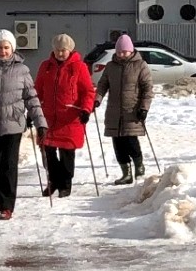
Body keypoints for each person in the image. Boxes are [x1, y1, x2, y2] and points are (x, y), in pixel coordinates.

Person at [0, 29, 48, 219]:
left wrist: (40, 122)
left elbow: (32, 98)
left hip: (13, 125)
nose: (3, 51)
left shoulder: (22, 71)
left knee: (9, 166)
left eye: (6, 47)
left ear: (13, 49)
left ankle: (7, 206)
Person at [34, 33, 96, 197]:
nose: (60, 53)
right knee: (47, 152)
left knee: (67, 154)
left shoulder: (79, 67)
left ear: (70, 50)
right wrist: (32, 110)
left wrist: (86, 110)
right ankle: (53, 181)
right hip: (49, 117)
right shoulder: (45, 67)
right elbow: (37, 90)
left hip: (70, 118)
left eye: (63, 50)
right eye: (57, 50)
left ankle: (65, 184)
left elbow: (88, 92)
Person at [94, 34, 153, 184]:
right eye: (119, 52)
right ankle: (126, 174)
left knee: (131, 141)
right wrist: (97, 99)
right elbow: (102, 85)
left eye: (124, 52)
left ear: (131, 51)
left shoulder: (140, 65)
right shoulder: (111, 66)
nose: (121, 55)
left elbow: (147, 89)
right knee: (118, 144)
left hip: (132, 110)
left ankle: (139, 166)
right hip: (114, 112)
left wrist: (144, 108)